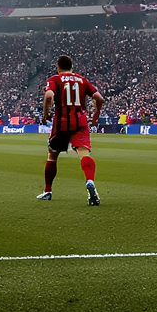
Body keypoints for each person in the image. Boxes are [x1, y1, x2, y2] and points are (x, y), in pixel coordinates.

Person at [38, 55, 104, 206]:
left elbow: (48, 95)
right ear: (71, 66)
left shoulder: (55, 79)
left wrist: (46, 114)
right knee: (83, 153)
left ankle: (48, 191)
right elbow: (99, 98)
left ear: (58, 67)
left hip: (61, 123)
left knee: (52, 155)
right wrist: (96, 114)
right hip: (80, 122)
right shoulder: (81, 79)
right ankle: (89, 181)